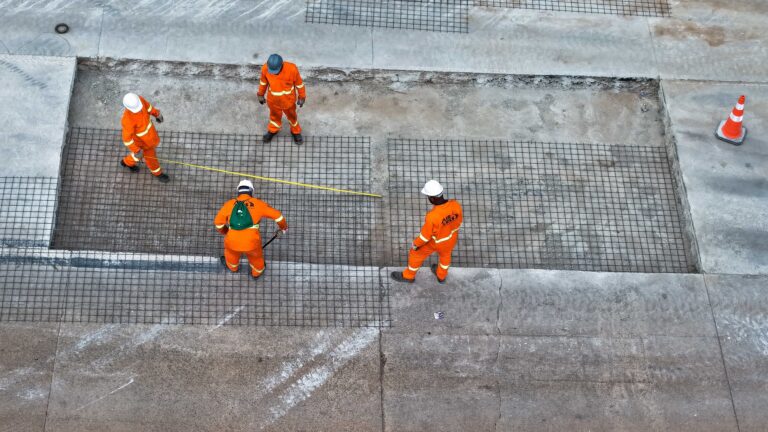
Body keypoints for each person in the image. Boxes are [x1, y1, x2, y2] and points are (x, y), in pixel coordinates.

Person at [391, 180, 463, 284]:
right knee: (445, 256)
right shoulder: (455, 204)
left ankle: (408, 276)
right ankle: (441, 276)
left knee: (416, 254)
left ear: (432, 198)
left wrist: (416, 244)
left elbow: (425, 237)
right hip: (450, 240)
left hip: (435, 242)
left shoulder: (432, 216)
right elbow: (459, 221)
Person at [214, 180, 288, 279]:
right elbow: (278, 216)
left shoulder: (229, 204)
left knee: (231, 255)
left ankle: (233, 268)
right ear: (251, 191)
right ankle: (256, 273)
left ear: (238, 191)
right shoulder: (258, 204)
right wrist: (283, 228)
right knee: (256, 258)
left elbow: (218, 223)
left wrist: (226, 232)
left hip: (232, 241)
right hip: (252, 243)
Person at [119, 92, 169, 182]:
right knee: (151, 159)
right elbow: (127, 139)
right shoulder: (127, 120)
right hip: (142, 143)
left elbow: (148, 107)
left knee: (138, 156)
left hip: (150, 136)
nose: (138, 110)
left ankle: (126, 162)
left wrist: (157, 114)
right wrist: (136, 150)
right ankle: (158, 173)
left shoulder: (139, 100)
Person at [257, 54, 306, 145]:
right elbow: (263, 83)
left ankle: (295, 132)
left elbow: (299, 84)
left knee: (292, 117)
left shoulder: (292, 69)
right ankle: (273, 130)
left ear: (282, 65)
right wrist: (260, 94)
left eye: (275, 71)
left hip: (288, 101)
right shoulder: (265, 69)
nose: (273, 73)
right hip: (273, 101)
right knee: (274, 117)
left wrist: (302, 97)